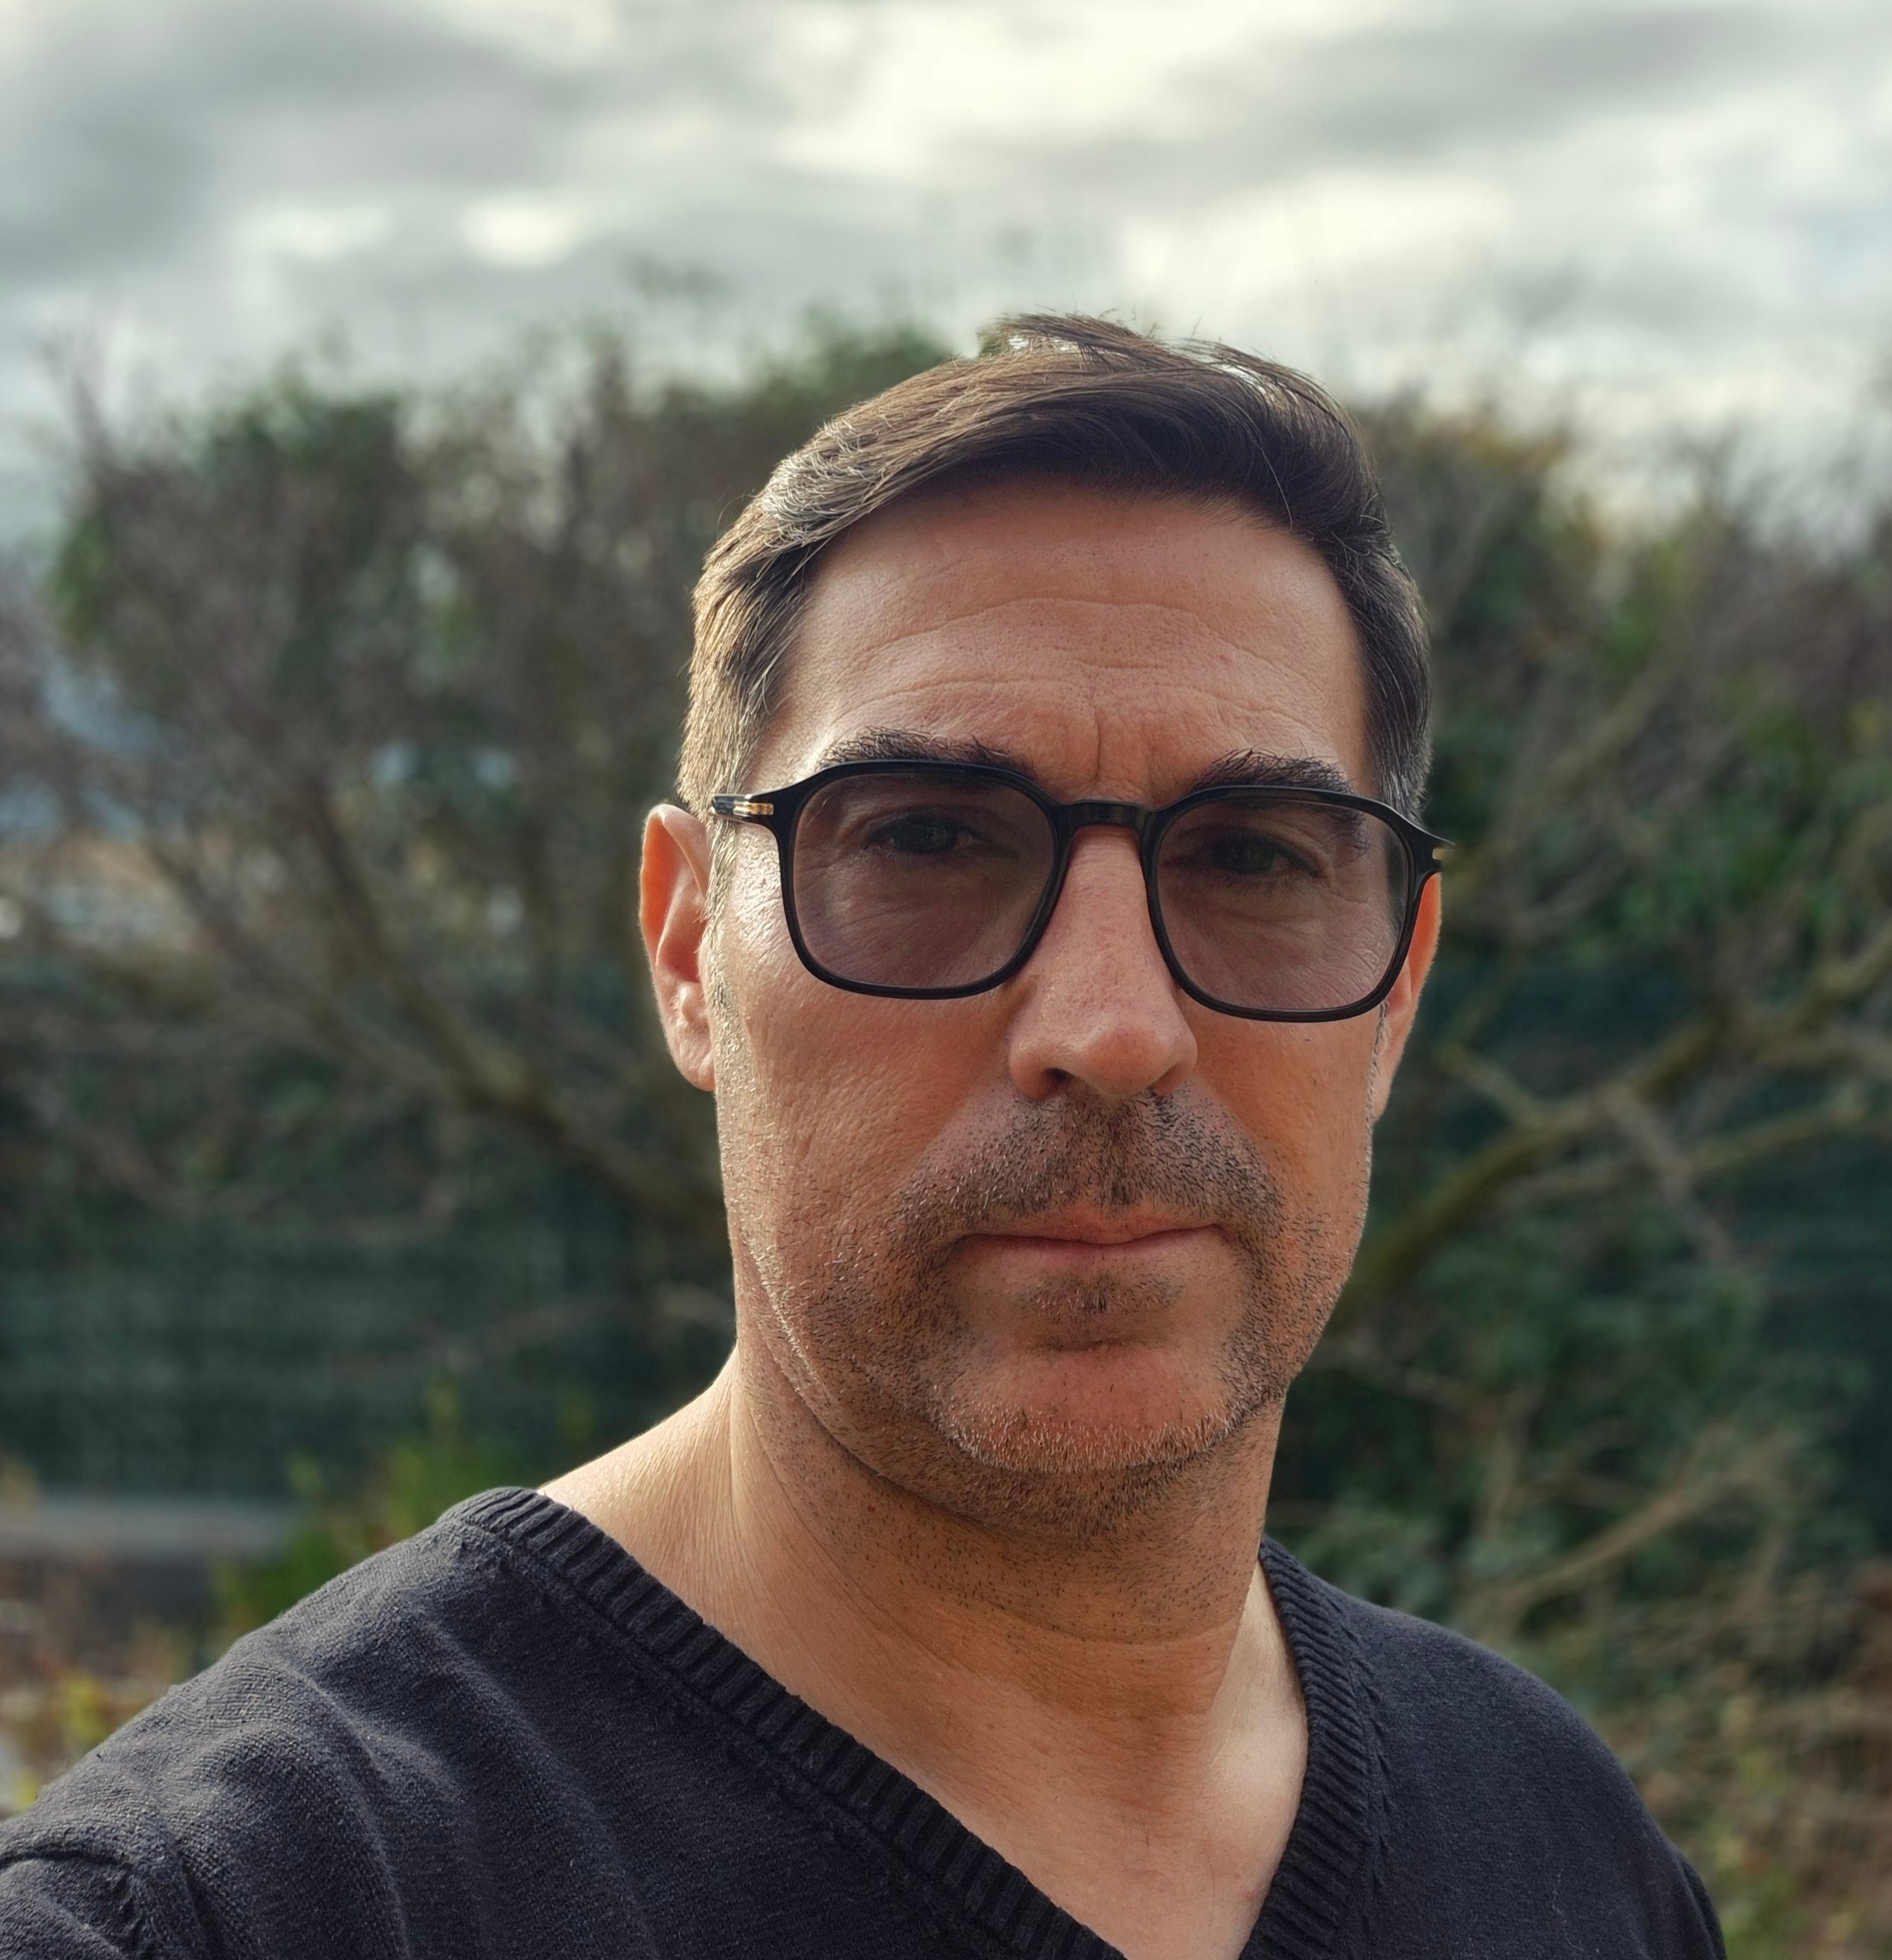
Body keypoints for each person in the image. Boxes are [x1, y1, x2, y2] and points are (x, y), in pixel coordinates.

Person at [0, 317, 1724, 1960]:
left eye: (1255, 856)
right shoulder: (239, 1908)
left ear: (1398, 992)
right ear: (690, 949)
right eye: (924, 841)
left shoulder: (1563, 1850)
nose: (1112, 1028)